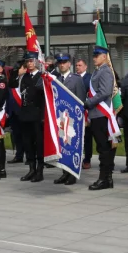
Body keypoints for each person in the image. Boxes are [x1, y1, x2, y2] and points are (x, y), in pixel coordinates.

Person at [50, 54, 86, 186]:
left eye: (64, 62)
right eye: (59, 63)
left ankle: (71, 174)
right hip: (60, 119)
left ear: (69, 64)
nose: (61, 65)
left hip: (72, 120)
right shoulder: (57, 78)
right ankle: (64, 173)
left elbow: (81, 100)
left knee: (71, 147)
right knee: (62, 147)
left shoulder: (76, 79)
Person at [85, 46, 117, 190]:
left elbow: (104, 92)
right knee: (102, 147)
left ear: (104, 56)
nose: (94, 58)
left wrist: (89, 102)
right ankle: (107, 178)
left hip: (101, 114)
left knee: (104, 148)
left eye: (97, 55)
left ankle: (104, 178)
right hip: (96, 114)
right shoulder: (98, 72)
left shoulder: (105, 72)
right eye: (94, 55)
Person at [17, 51, 45, 182]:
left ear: (37, 62)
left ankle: (39, 170)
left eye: (31, 61)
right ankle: (31, 169)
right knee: (27, 143)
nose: (29, 63)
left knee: (39, 144)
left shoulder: (42, 77)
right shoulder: (24, 77)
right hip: (25, 114)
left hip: (37, 115)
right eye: (27, 61)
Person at [76, 57, 93, 170]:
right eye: (76, 65)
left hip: (87, 111)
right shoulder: (73, 78)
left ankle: (87, 159)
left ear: (85, 66)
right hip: (75, 110)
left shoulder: (90, 78)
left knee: (87, 137)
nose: (78, 67)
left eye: (80, 65)